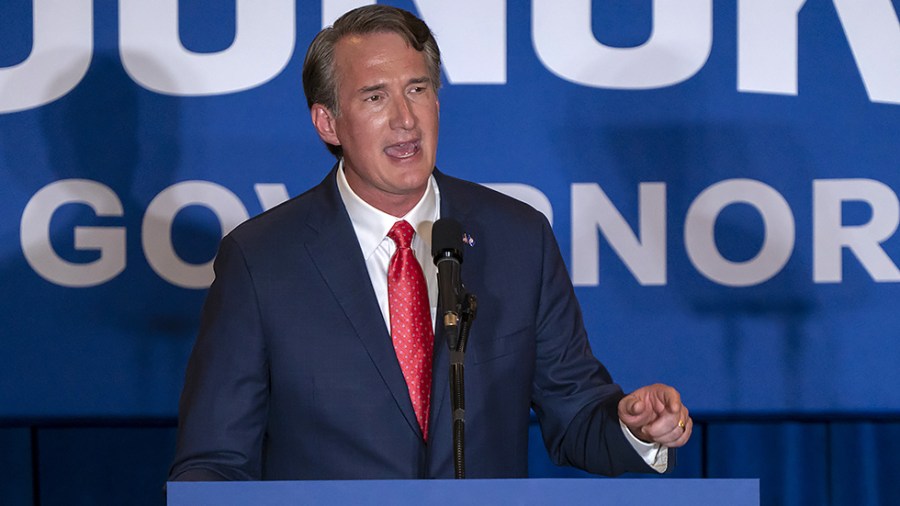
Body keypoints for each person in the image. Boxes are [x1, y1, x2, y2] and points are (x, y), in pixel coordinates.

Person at [169, 5, 692, 481]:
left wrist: (636, 428)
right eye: (376, 97)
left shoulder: (518, 240)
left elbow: (576, 414)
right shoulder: (262, 261)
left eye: (417, 89)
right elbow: (213, 463)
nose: (405, 119)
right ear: (328, 122)